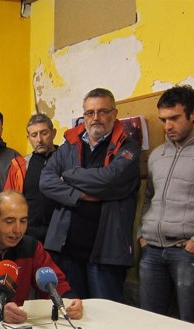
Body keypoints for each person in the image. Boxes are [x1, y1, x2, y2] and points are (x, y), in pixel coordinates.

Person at [40, 88, 140, 302]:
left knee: (106, 317)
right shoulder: (69, 145)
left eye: (103, 111)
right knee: (72, 315)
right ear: (84, 116)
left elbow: (110, 179)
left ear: (114, 114)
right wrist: (80, 196)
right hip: (67, 249)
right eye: (90, 113)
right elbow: (46, 181)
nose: (96, 118)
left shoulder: (127, 147)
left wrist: (68, 175)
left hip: (106, 253)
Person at [138, 85, 194, 325]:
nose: (167, 126)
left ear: (193, 114)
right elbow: (149, 197)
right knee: (149, 322)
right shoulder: (157, 155)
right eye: (163, 119)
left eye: (174, 118)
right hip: (151, 251)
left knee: (190, 325)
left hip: (189, 253)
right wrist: (143, 235)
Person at [0, 191, 82, 323]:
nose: (18, 230)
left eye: (23, 221)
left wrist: (70, 300)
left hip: (22, 327)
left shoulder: (32, 248)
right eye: (9, 221)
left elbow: (55, 283)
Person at [4, 113, 58, 243]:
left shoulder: (68, 160)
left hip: (60, 236)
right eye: (34, 135)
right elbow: (8, 202)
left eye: (44, 133)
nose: (39, 139)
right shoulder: (19, 166)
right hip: (28, 236)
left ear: (53, 133)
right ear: (28, 138)